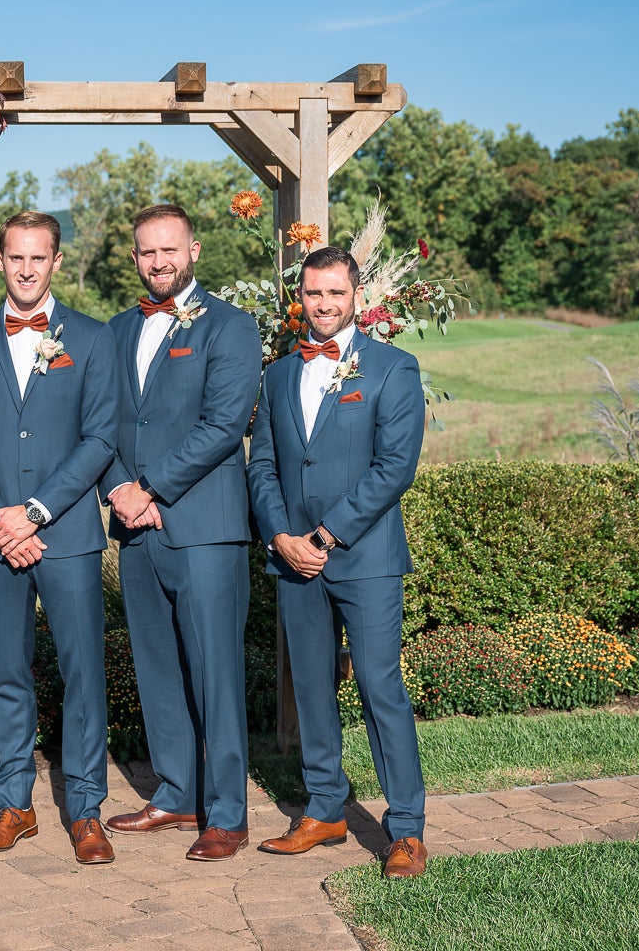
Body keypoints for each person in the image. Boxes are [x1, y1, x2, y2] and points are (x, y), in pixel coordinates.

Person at [245, 245, 429, 878]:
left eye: (335, 294)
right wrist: (279, 536)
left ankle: (405, 828)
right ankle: (324, 808)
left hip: (365, 559)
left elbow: (393, 469)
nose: (323, 305)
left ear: (356, 295)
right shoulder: (275, 376)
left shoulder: (392, 369)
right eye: (313, 293)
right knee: (312, 689)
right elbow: (262, 465)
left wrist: (325, 536)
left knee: (381, 688)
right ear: (300, 296)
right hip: (294, 559)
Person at [0, 211, 120, 865]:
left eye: (37, 258)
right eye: (14, 257)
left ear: (55, 263)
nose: (25, 269)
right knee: (8, 674)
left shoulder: (94, 341)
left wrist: (36, 512)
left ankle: (85, 810)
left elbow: (100, 438)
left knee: (82, 673)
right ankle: (13, 804)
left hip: (66, 535)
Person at [101, 203, 263, 861]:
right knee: (157, 669)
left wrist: (151, 488)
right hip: (137, 530)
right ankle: (174, 792)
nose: (158, 261)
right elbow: (100, 421)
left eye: (169, 249)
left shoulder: (231, 327)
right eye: (146, 252)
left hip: (203, 529)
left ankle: (226, 812)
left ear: (193, 250)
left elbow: (222, 425)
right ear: (134, 257)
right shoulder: (114, 331)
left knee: (214, 673)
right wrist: (117, 488)